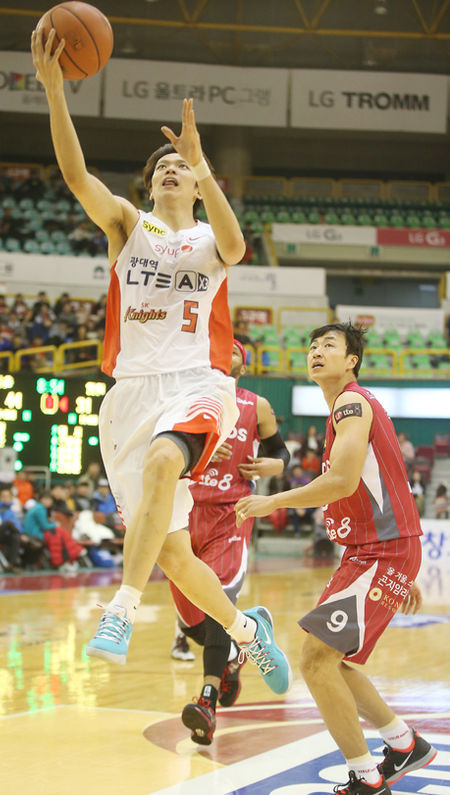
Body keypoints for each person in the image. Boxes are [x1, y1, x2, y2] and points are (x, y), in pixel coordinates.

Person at [31, 28, 291, 694]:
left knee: (162, 462)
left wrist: (203, 163)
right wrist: (55, 92)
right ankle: (246, 631)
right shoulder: (128, 224)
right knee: (173, 552)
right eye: (162, 167)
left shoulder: (210, 236)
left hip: (200, 384)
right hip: (130, 395)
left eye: (181, 167)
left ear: (197, 186)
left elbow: (236, 247)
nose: (170, 170)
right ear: (149, 185)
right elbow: (75, 177)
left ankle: (120, 607)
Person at [235, 322, 437, 795]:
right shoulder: (345, 410)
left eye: (329, 345)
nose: (316, 351)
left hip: (381, 551)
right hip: (378, 550)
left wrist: (272, 501)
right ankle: (403, 744)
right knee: (329, 659)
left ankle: (366, 776)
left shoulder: (351, 403)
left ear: (351, 361)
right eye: (312, 345)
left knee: (315, 659)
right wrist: (400, 565)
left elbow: (343, 481)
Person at [172, 339, 290, 744]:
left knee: (217, 604)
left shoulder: (257, 406)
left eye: (235, 350)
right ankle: (243, 644)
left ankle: (206, 701)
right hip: (184, 514)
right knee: (192, 623)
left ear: (243, 365)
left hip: (229, 513)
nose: (226, 353)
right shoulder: (184, 400)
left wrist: (273, 466)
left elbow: (281, 453)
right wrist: (199, 449)